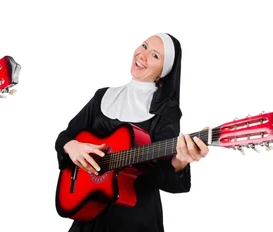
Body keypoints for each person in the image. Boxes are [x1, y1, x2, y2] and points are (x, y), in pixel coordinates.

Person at [55, 33, 210, 232]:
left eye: (155, 56)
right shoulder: (103, 96)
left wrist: (181, 161)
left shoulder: (166, 110)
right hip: (90, 213)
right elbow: (65, 136)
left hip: (135, 218)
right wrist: (73, 147)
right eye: (144, 46)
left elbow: (161, 176)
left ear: (164, 71)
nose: (142, 55)